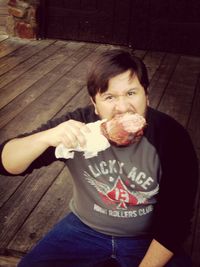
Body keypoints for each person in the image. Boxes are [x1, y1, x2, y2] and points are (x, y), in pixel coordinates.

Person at [0, 49, 198, 267]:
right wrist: (45, 138)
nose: (123, 107)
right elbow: (7, 164)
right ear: (94, 103)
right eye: (109, 97)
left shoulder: (172, 137)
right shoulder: (78, 126)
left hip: (148, 237)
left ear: (146, 95)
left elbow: (176, 223)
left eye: (131, 93)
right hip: (84, 228)